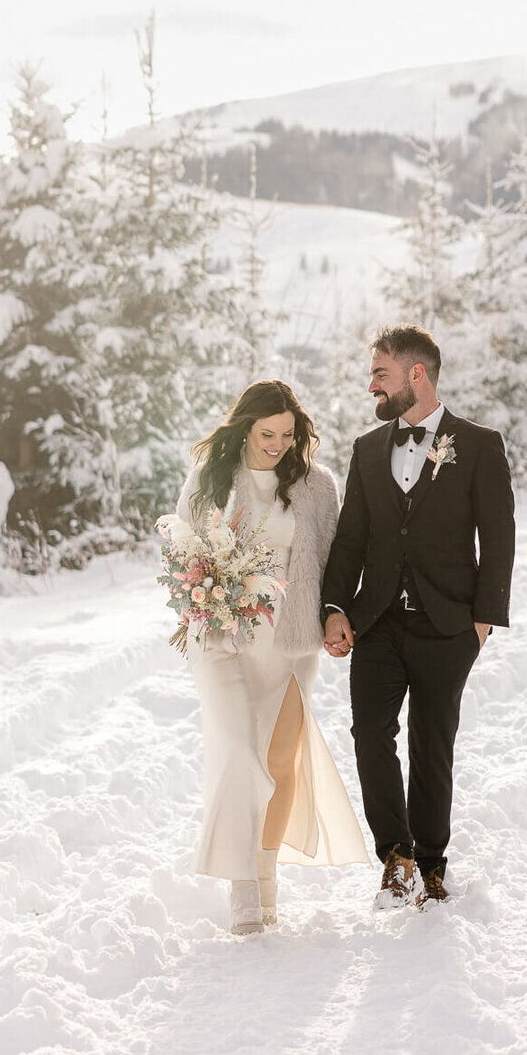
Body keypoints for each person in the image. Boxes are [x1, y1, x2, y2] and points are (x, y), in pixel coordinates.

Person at [321, 326, 515, 909]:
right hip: (377, 621)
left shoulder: (479, 445)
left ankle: (431, 861)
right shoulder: (366, 449)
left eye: (379, 374)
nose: (370, 385)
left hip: (447, 625)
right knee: (369, 734)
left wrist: (483, 620)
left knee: (434, 742)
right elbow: (351, 538)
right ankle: (396, 855)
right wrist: (335, 607)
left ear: (416, 375)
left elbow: (498, 536)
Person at [177, 379, 367, 934]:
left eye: (287, 434)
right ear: (244, 428)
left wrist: (336, 615)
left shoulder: (315, 486)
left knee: (280, 764)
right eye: (266, 433)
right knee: (238, 751)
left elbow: (334, 561)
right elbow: (181, 551)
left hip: (287, 643)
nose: (277, 444)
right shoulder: (211, 480)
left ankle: (264, 879)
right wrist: (203, 595)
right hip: (223, 639)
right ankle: (241, 888)